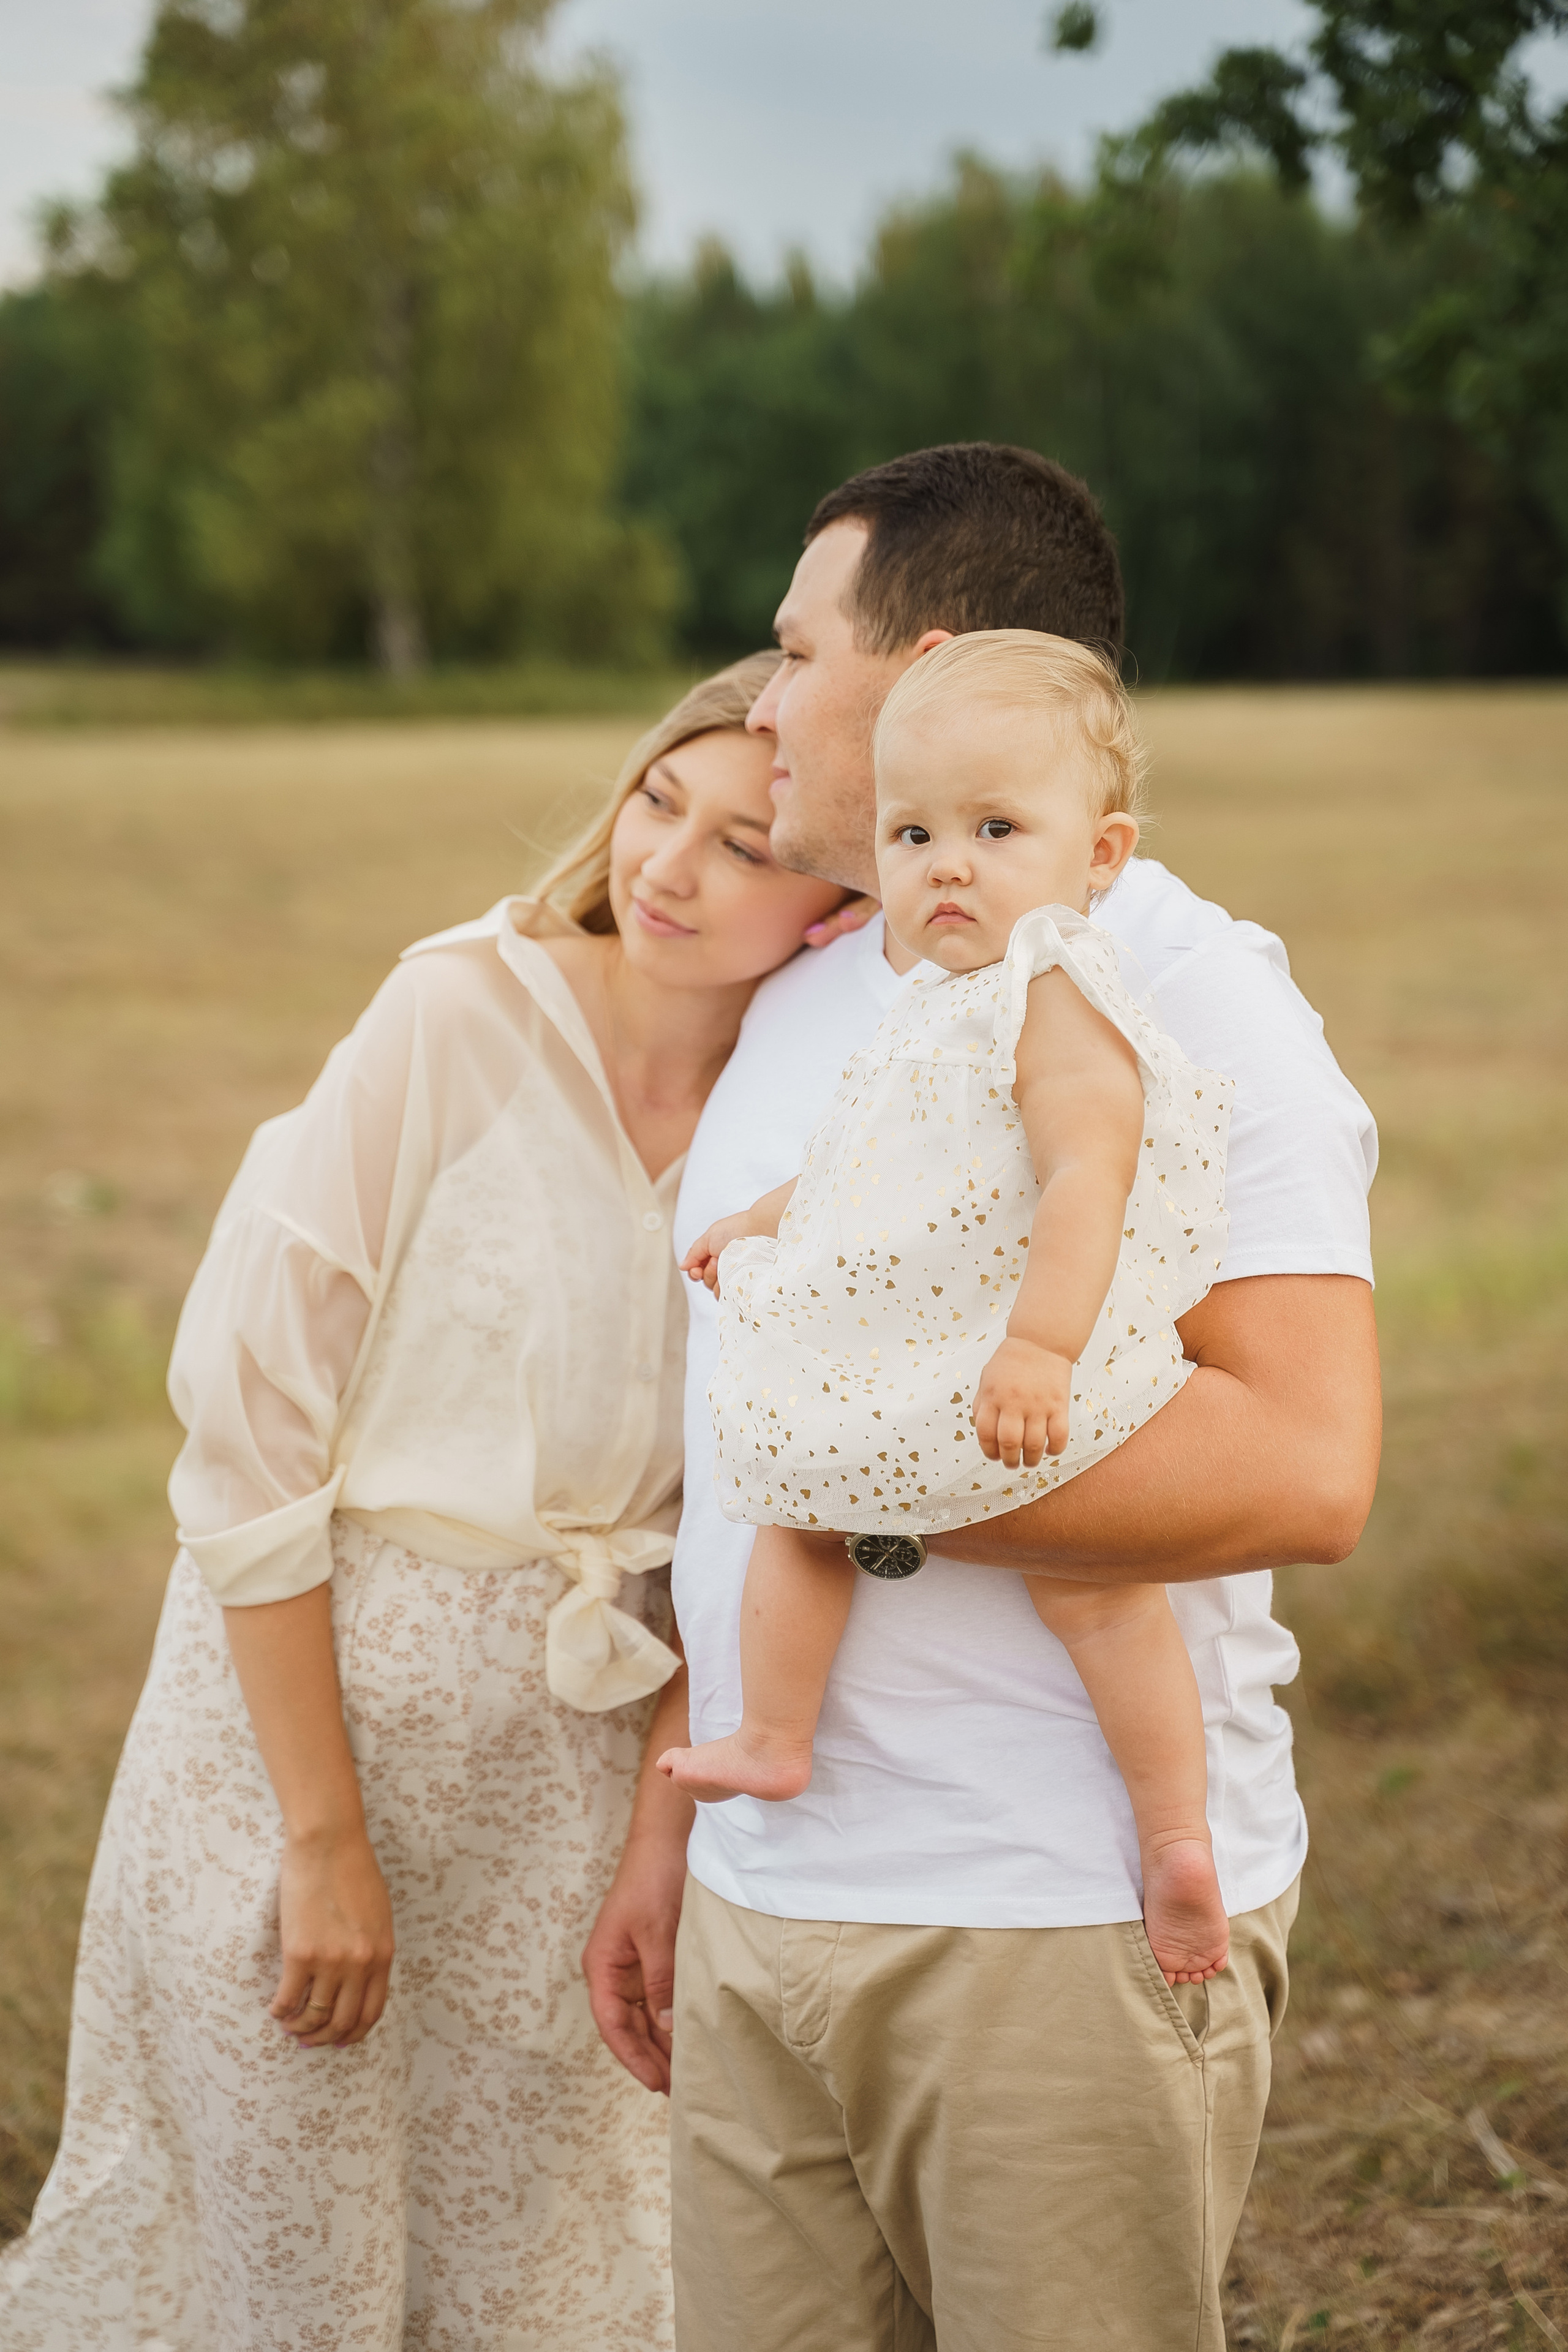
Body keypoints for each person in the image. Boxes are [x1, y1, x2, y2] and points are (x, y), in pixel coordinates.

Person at [582, 444, 1382, 2352]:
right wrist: (672, 1837)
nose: (761, 701)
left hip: (1044, 1920)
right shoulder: (827, 981)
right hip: (771, 1899)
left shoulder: (1187, 989)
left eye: (792, 654)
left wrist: (859, 1463)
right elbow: (747, 1407)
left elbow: (1307, 1465)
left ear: (923, 658)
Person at [0, 655, 850, 2352]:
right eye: (659, 801)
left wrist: (659, 1839)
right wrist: (321, 1842)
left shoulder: (811, 1116)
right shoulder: (459, 1014)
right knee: (276, 2264)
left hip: (573, 1788)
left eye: (749, 846)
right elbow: (249, 1444)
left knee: (540, 2263)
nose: (667, 867)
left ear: (840, 904)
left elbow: (770, 1500)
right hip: (309, 1741)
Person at [661, 630, 1234, 1988]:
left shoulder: (1051, 990)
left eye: (993, 827)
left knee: (1096, 1592)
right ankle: (775, 1733)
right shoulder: (930, 1010)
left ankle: (1173, 1834)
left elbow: (1088, 1172)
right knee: (798, 1511)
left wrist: (1038, 1346)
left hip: (1020, 1355)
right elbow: (867, 1164)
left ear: (1097, 856)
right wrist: (761, 1217)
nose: (948, 864)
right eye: (912, 834)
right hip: (927, 1351)